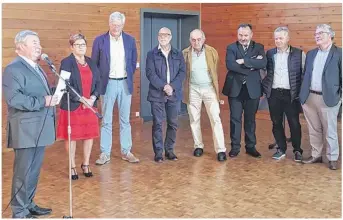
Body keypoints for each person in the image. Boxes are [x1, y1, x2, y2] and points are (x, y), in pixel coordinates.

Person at [2, 30, 58, 218]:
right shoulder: (13, 69)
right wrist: (44, 101)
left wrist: (56, 91)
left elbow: (37, 91)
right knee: (23, 172)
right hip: (25, 129)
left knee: (33, 171)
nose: (38, 46)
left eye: (39, 42)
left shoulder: (36, 66)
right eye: (33, 42)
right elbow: (15, 99)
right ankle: (19, 211)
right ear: (20, 47)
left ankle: (28, 204)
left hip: (38, 128)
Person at [92, 11, 139, 164]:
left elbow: (133, 61)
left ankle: (126, 151)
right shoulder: (100, 40)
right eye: (113, 24)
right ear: (109, 24)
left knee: (125, 120)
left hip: (125, 82)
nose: (116, 27)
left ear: (122, 25)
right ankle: (105, 153)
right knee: (106, 120)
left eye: (119, 25)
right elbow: (94, 64)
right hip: (108, 83)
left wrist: (129, 73)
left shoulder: (130, 40)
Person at [57, 33, 101, 179]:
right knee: (72, 137)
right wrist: (82, 99)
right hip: (73, 105)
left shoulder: (91, 62)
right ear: (71, 47)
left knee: (89, 135)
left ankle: (86, 163)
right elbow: (65, 86)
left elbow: (99, 82)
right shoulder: (66, 63)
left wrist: (93, 98)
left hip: (90, 105)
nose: (81, 47)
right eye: (78, 45)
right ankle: (72, 166)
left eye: (83, 44)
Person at [300, 24, 342, 170]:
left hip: (329, 99)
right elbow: (305, 74)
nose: (317, 35)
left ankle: (333, 157)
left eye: (320, 33)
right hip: (309, 97)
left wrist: (340, 98)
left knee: (330, 129)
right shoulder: (311, 54)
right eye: (315, 33)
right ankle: (316, 155)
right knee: (314, 128)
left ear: (330, 35)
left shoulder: (339, 54)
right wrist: (302, 95)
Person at [222, 23, 267, 158]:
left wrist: (243, 61)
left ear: (251, 35)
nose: (243, 38)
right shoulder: (231, 47)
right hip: (235, 89)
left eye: (246, 35)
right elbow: (231, 65)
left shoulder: (259, 47)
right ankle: (235, 147)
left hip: (252, 89)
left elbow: (263, 63)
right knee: (235, 119)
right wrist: (252, 64)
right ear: (237, 35)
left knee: (250, 120)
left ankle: (250, 147)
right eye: (240, 35)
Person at [182, 29, 227, 161]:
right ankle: (198, 146)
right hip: (193, 89)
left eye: (199, 39)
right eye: (193, 40)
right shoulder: (185, 53)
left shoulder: (212, 51)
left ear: (204, 39)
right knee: (194, 119)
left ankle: (221, 150)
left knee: (215, 118)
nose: (196, 42)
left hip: (209, 89)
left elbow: (215, 68)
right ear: (190, 40)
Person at [262, 26, 305, 161]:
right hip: (274, 93)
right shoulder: (269, 54)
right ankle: (281, 148)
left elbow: (304, 74)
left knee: (294, 123)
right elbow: (265, 72)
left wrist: (301, 93)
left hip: (291, 94)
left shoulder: (299, 54)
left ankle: (297, 149)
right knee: (276, 122)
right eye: (276, 38)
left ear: (288, 38)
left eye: (281, 38)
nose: (278, 41)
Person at [145, 27, 186, 162]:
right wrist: (164, 86)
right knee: (157, 123)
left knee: (173, 123)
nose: (163, 37)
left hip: (174, 94)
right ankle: (158, 153)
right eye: (160, 35)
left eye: (166, 35)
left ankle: (169, 150)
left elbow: (182, 73)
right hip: (157, 94)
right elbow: (150, 74)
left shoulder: (177, 54)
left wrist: (172, 87)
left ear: (170, 37)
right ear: (158, 37)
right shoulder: (151, 54)